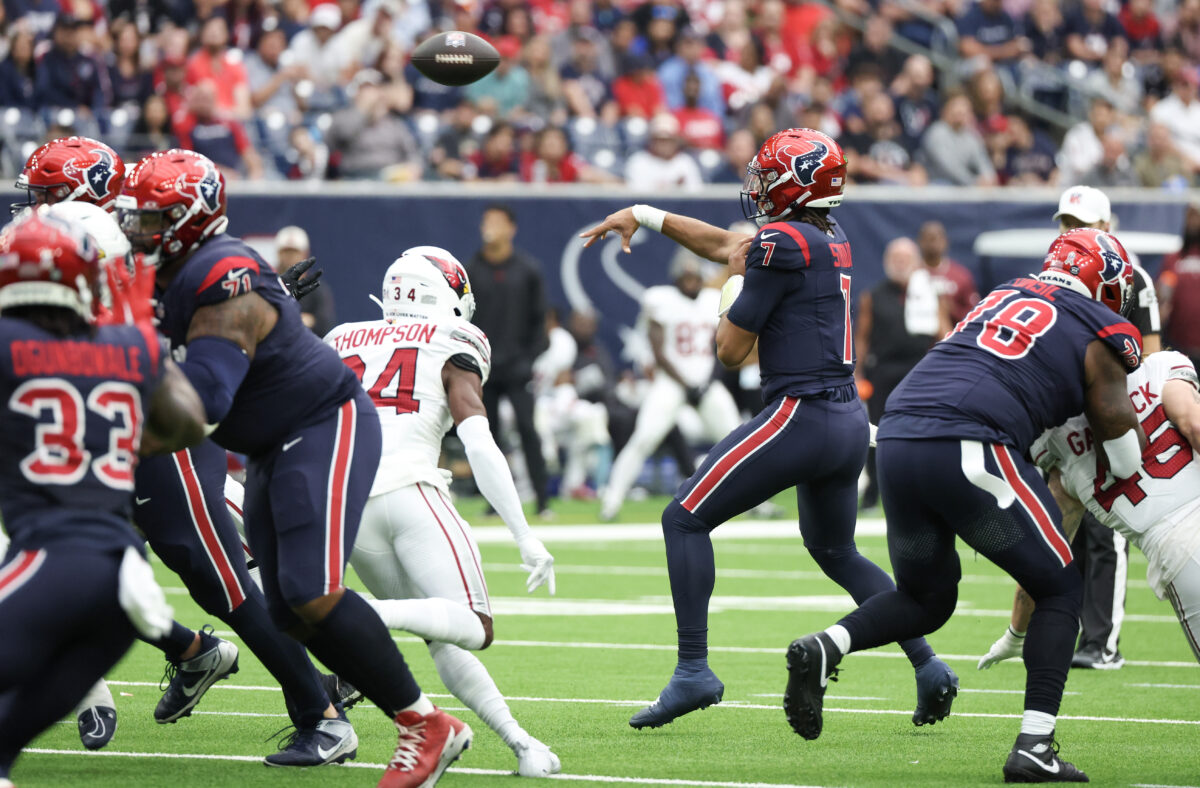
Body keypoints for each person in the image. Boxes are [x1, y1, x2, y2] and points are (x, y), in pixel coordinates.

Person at [116, 149, 472, 788]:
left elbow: (206, 402)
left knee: (311, 591)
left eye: (151, 217)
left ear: (188, 218)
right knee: (283, 608)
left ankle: (425, 724)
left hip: (321, 426)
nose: (137, 228)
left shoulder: (219, 276)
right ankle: (394, 715)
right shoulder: (172, 272)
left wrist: (122, 414)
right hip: (270, 443)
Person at [580, 128, 957, 731]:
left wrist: (727, 292)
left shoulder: (780, 241)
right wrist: (644, 214)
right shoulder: (824, 237)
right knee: (835, 549)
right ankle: (928, 663)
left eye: (768, 173)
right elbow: (731, 244)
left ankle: (693, 670)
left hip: (799, 415)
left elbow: (730, 350)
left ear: (794, 181)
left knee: (683, 517)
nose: (757, 184)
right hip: (845, 421)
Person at [20, 137, 361, 765]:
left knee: (228, 584)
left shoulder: (116, 244)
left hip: (167, 438)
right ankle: (191, 653)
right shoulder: (108, 243)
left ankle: (324, 710)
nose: (29, 207)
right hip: (116, 435)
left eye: (42, 194)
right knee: (88, 564)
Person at [785, 228, 1145, 782]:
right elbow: (1121, 454)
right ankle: (1035, 745)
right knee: (1059, 586)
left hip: (899, 435)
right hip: (968, 441)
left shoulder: (1002, 295)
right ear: (1100, 280)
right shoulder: (1098, 325)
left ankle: (827, 645)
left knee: (927, 598)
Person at [321, 247, 561, 778]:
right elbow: (477, 436)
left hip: (349, 509)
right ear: (443, 294)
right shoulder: (455, 339)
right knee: (473, 626)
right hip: (412, 492)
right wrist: (525, 535)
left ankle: (521, 743)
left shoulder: (340, 338)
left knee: (441, 632)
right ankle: (363, 618)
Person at [0, 209, 206, 786]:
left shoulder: (7, 341)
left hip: (52, 560)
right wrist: (144, 347)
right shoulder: (129, 345)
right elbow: (188, 425)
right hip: (125, 581)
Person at [978, 349, 1200, 670]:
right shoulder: (1162, 366)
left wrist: (1015, 635)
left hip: (1179, 551)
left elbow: (1046, 554)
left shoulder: (1058, 447)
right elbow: (1194, 425)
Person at [1043, 185, 1162, 670]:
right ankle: (1065, 629)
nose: (1074, 233)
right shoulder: (1054, 274)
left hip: (1111, 409)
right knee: (1059, 522)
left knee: (1105, 526)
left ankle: (1102, 642)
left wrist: (1130, 409)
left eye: (1083, 225)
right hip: (1067, 413)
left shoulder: (1131, 277)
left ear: (1107, 227)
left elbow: (1150, 353)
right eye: (1068, 224)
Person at [598, 251, 740, 522]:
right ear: (675, 278)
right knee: (643, 439)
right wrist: (686, 384)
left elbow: (719, 346)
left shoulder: (713, 299)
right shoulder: (660, 299)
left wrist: (707, 382)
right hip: (671, 383)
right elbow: (658, 350)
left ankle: (758, 503)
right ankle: (611, 501)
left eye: (693, 275)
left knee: (738, 440)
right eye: (684, 276)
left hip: (705, 383)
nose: (690, 280)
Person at [466, 204, 552, 516]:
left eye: (496, 222)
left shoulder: (528, 270)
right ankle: (494, 502)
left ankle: (543, 501)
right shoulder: (470, 270)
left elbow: (539, 319)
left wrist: (528, 358)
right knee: (487, 436)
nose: (489, 228)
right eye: (486, 221)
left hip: (517, 368)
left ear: (511, 229)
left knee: (528, 430)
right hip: (483, 367)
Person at [856, 237, 946, 510]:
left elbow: (944, 331)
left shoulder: (930, 292)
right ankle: (873, 492)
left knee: (920, 432)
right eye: (895, 258)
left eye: (905, 258)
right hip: (882, 372)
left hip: (918, 371)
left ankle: (918, 491)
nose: (900, 264)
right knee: (875, 433)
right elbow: (862, 337)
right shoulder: (873, 295)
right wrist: (857, 374)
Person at [275, 226, 335, 336]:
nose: (290, 257)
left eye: (294, 252)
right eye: (286, 252)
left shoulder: (317, 289)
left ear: (305, 254)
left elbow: (324, 325)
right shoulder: (270, 285)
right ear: (278, 254)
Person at [916, 221, 979, 325]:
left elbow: (974, 313)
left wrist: (953, 309)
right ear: (920, 242)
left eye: (936, 238)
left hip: (952, 334)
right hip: (917, 336)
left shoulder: (960, 275)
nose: (932, 244)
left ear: (945, 241)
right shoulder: (911, 274)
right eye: (928, 239)